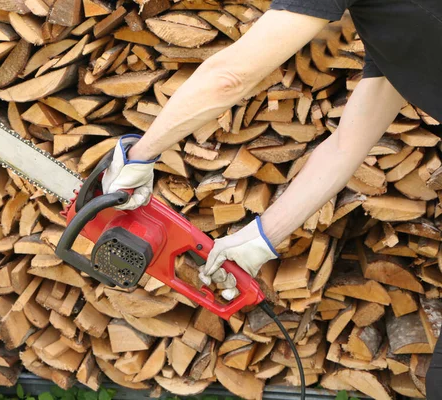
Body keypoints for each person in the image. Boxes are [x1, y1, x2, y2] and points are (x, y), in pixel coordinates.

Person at [101, 0, 442, 396]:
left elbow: (230, 76)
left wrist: (139, 156)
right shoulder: (396, 22)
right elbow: (346, 146)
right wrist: (257, 241)